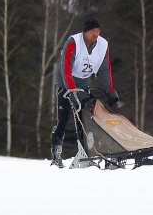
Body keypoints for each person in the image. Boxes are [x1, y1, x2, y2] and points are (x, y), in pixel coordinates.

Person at [50, 17, 119, 168]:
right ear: (85, 32)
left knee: (85, 118)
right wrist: (71, 89)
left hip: (83, 83)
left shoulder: (102, 45)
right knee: (63, 119)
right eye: (93, 31)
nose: (96, 34)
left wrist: (110, 91)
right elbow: (66, 67)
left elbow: (105, 69)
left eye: (98, 31)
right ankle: (56, 155)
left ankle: (86, 153)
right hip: (65, 82)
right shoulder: (74, 42)